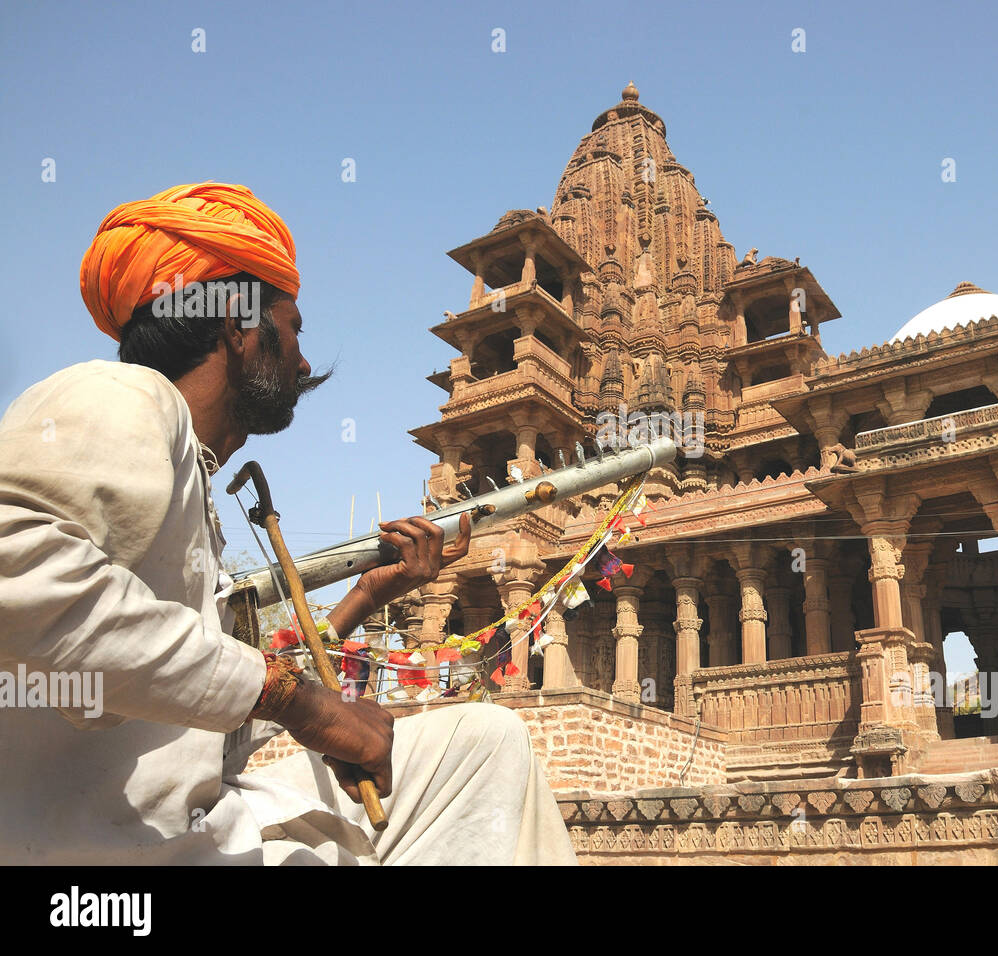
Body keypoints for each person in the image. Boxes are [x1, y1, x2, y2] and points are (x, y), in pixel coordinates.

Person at [0, 182, 577, 865]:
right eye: (293, 327)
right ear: (238, 328)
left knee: (483, 744)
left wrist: (368, 597)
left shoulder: (191, 475)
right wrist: (309, 707)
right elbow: (20, 576)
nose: (303, 360)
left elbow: (204, 710)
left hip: (187, 816)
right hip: (97, 855)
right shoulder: (123, 395)